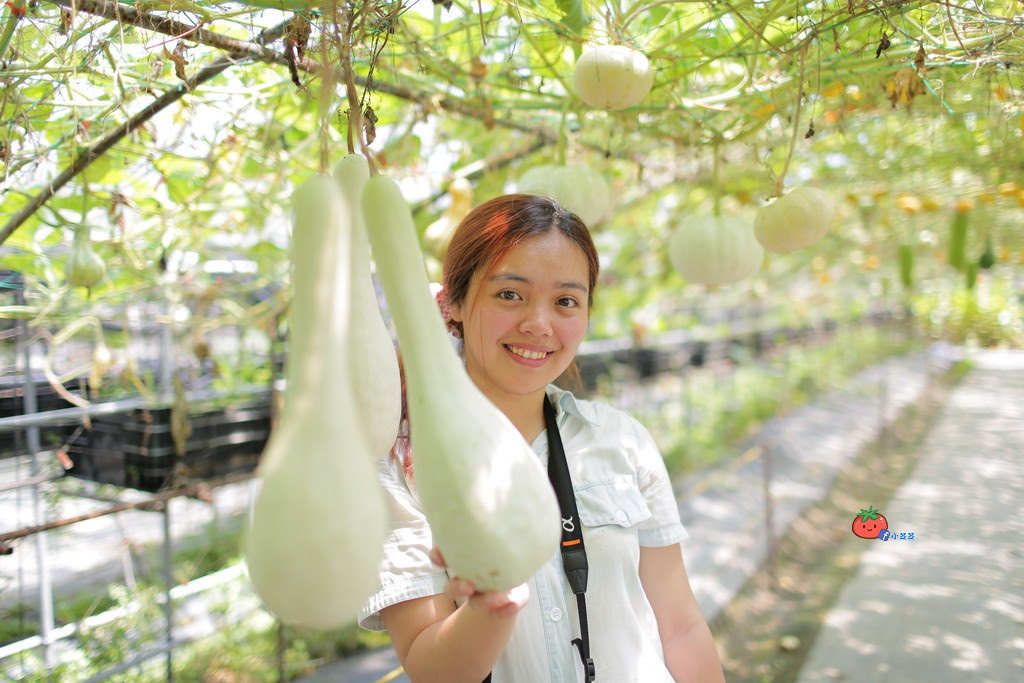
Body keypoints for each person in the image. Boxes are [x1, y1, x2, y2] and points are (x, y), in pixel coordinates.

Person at [358, 193, 724, 682]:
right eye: (510, 294)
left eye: (566, 301)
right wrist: (493, 603)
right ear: (456, 304)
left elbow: (680, 626)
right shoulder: (400, 462)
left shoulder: (619, 440)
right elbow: (429, 668)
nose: (538, 324)